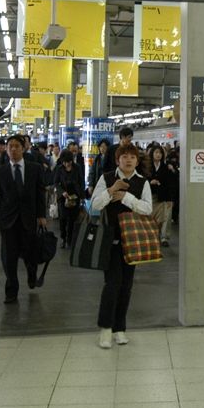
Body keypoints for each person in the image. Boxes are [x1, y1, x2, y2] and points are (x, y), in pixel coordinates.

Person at [91, 144, 152, 349]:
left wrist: (127, 198)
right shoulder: (106, 178)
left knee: (126, 286)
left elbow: (147, 209)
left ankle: (120, 329)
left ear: (137, 160)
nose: (128, 160)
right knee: (112, 284)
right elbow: (95, 205)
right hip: (110, 240)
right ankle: (106, 329)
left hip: (133, 240)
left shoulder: (142, 182)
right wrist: (113, 190)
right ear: (118, 160)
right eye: (124, 156)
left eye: (132, 157)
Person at [0, 134, 48, 303]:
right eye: (10, 146)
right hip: (8, 221)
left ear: (23, 148)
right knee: (8, 257)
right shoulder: (1, 171)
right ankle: (11, 290)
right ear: (6, 150)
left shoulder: (35, 168)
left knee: (30, 254)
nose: (13, 149)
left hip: (29, 219)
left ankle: (32, 274)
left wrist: (41, 215)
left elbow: (40, 193)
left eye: (17, 146)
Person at [145, 145, 176, 247]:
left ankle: (164, 238)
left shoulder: (166, 166)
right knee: (152, 216)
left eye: (160, 153)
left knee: (166, 217)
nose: (158, 155)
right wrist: (150, 182)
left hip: (165, 195)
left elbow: (173, 180)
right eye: (156, 152)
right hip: (151, 195)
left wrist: (173, 170)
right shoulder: (147, 166)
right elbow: (143, 179)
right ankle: (153, 236)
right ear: (152, 154)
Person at [53, 151, 86, 249]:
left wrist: (82, 196)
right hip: (63, 197)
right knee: (63, 218)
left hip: (75, 196)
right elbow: (55, 183)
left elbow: (81, 181)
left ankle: (70, 239)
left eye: (69, 162)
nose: (67, 164)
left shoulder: (77, 168)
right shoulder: (59, 169)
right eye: (65, 162)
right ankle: (63, 237)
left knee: (73, 218)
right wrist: (62, 192)